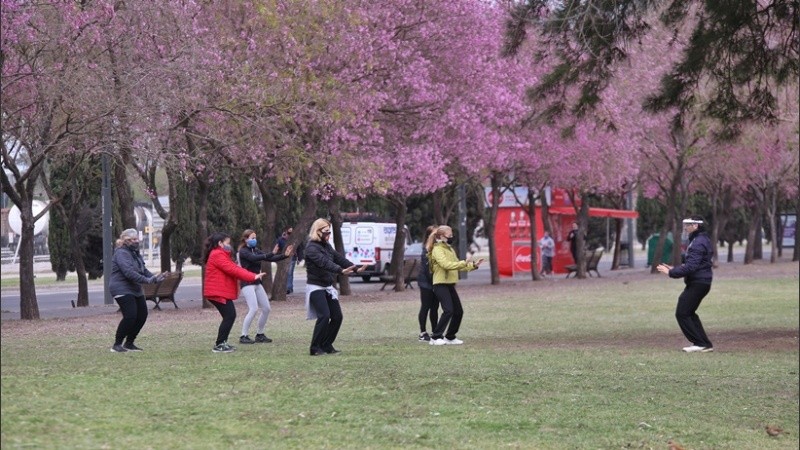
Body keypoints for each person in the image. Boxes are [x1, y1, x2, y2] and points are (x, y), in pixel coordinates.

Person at [304, 218, 366, 356]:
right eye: (326, 232)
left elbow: (339, 258)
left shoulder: (327, 246)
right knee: (324, 316)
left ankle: (326, 345)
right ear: (318, 231)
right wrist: (340, 271)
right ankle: (315, 348)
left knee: (337, 317)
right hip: (315, 287)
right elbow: (324, 263)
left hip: (327, 286)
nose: (329, 235)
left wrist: (356, 269)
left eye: (329, 232)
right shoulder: (311, 248)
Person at [657, 216, 714, 353]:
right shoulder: (700, 239)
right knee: (689, 313)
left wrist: (670, 273)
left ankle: (700, 343)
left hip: (699, 282)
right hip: (700, 281)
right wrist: (674, 268)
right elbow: (692, 264)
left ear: (695, 226)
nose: (685, 228)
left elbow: (691, 267)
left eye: (687, 225)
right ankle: (704, 343)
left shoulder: (698, 242)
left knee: (682, 312)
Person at [203, 231, 267, 353]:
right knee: (229, 315)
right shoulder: (217, 254)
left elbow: (235, 268)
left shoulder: (220, 254)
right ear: (220, 243)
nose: (229, 245)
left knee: (229, 316)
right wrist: (253, 276)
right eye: (227, 242)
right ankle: (219, 345)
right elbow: (234, 270)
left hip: (218, 291)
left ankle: (222, 343)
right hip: (216, 292)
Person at [109, 228, 167, 353]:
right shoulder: (121, 253)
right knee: (130, 316)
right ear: (126, 240)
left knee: (142, 316)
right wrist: (147, 281)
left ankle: (129, 343)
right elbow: (129, 273)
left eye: (137, 239)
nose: (136, 242)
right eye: (133, 240)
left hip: (135, 288)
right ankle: (117, 344)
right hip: (121, 287)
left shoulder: (135, 253)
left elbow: (143, 270)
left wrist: (155, 278)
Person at [427, 225, 483, 346]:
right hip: (440, 284)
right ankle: (435, 337)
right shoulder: (437, 249)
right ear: (442, 236)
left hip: (449, 284)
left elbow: (458, 265)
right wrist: (463, 262)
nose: (452, 237)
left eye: (452, 234)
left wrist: (473, 265)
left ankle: (450, 336)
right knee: (448, 310)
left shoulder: (450, 249)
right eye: (450, 235)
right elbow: (446, 265)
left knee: (458, 311)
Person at [237, 229, 293, 344]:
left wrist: (284, 256)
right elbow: (255, 258)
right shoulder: (243, 251)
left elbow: (268, 258)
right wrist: (271, 253)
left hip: (257, 283)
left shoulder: (255, 250)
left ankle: (260, 334)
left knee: (266, 308)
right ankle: (243, 336)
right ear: (246, 239)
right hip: (247, 283)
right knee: (253, 309)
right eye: (252, 238)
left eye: (255, 237)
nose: (254, 240)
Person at [417, 225, 439, 342]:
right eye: (436, 234)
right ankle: (422, 332)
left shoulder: (438, 248)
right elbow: (427, 270)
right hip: (426, 283)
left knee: (435, 308)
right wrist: (434, 282)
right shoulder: (426, 249)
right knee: (425, 307)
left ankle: (435, 331)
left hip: (435, 282)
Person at [277, 227, 297, 294]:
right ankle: (288, 287)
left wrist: (299, 257)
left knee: (289, 273)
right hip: (283, 258)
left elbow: (299, 247)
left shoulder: (294, 239)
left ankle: (289, 288)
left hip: (292, 258)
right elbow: (278, 248)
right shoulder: (281, 239)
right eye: (288, 233)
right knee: (286, 273)